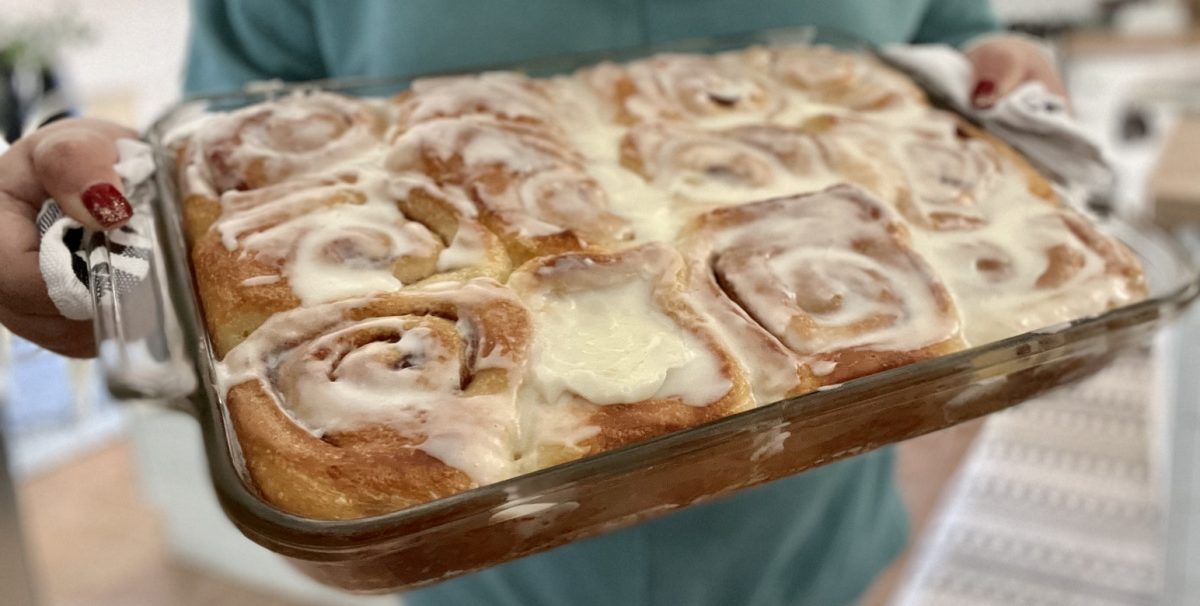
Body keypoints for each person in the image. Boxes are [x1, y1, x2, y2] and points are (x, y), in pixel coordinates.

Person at [0, 2, 1066, 604]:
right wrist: (118, 282)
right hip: (470, 557)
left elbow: (943, 35)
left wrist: (998, 79)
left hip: (819, 542)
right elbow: (217, 170)